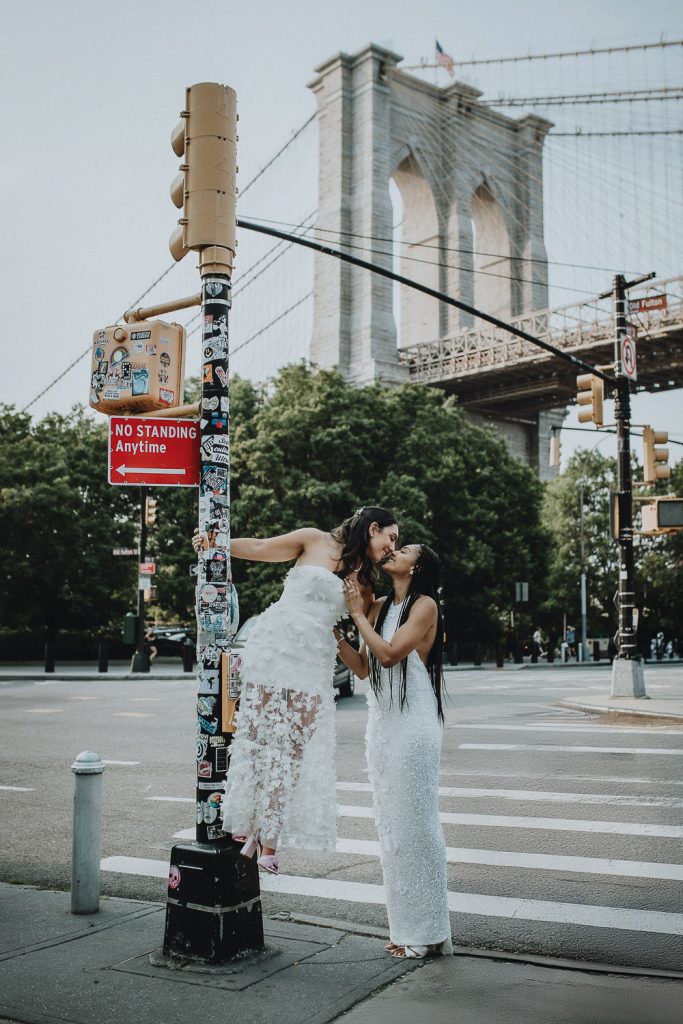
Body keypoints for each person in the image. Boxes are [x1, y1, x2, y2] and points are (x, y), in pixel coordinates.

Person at [192, 506, 398, 873]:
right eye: (391, 537)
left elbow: (363, 667)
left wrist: (344, 624)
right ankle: (249, 826)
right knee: (258, 737)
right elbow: (260, 547)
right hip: (274, 645)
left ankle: (268, 837)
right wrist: (216, 544)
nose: (392, 547)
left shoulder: (366, 585)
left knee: (292, 751)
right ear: (373, 528)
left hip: (313, 660)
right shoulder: (312, 539)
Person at [337, 543, 453, 960]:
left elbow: (388, 656)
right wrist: (334, 634)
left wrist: (356, 615)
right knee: (392, 830)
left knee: (417, 827)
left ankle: (429, 932)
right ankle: (406, 928)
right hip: (383, 727)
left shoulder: (425, 606)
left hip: (414, 726)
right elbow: (363, 667)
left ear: (416, 567)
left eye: (403, 550)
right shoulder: (381, 606)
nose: (393, 551)